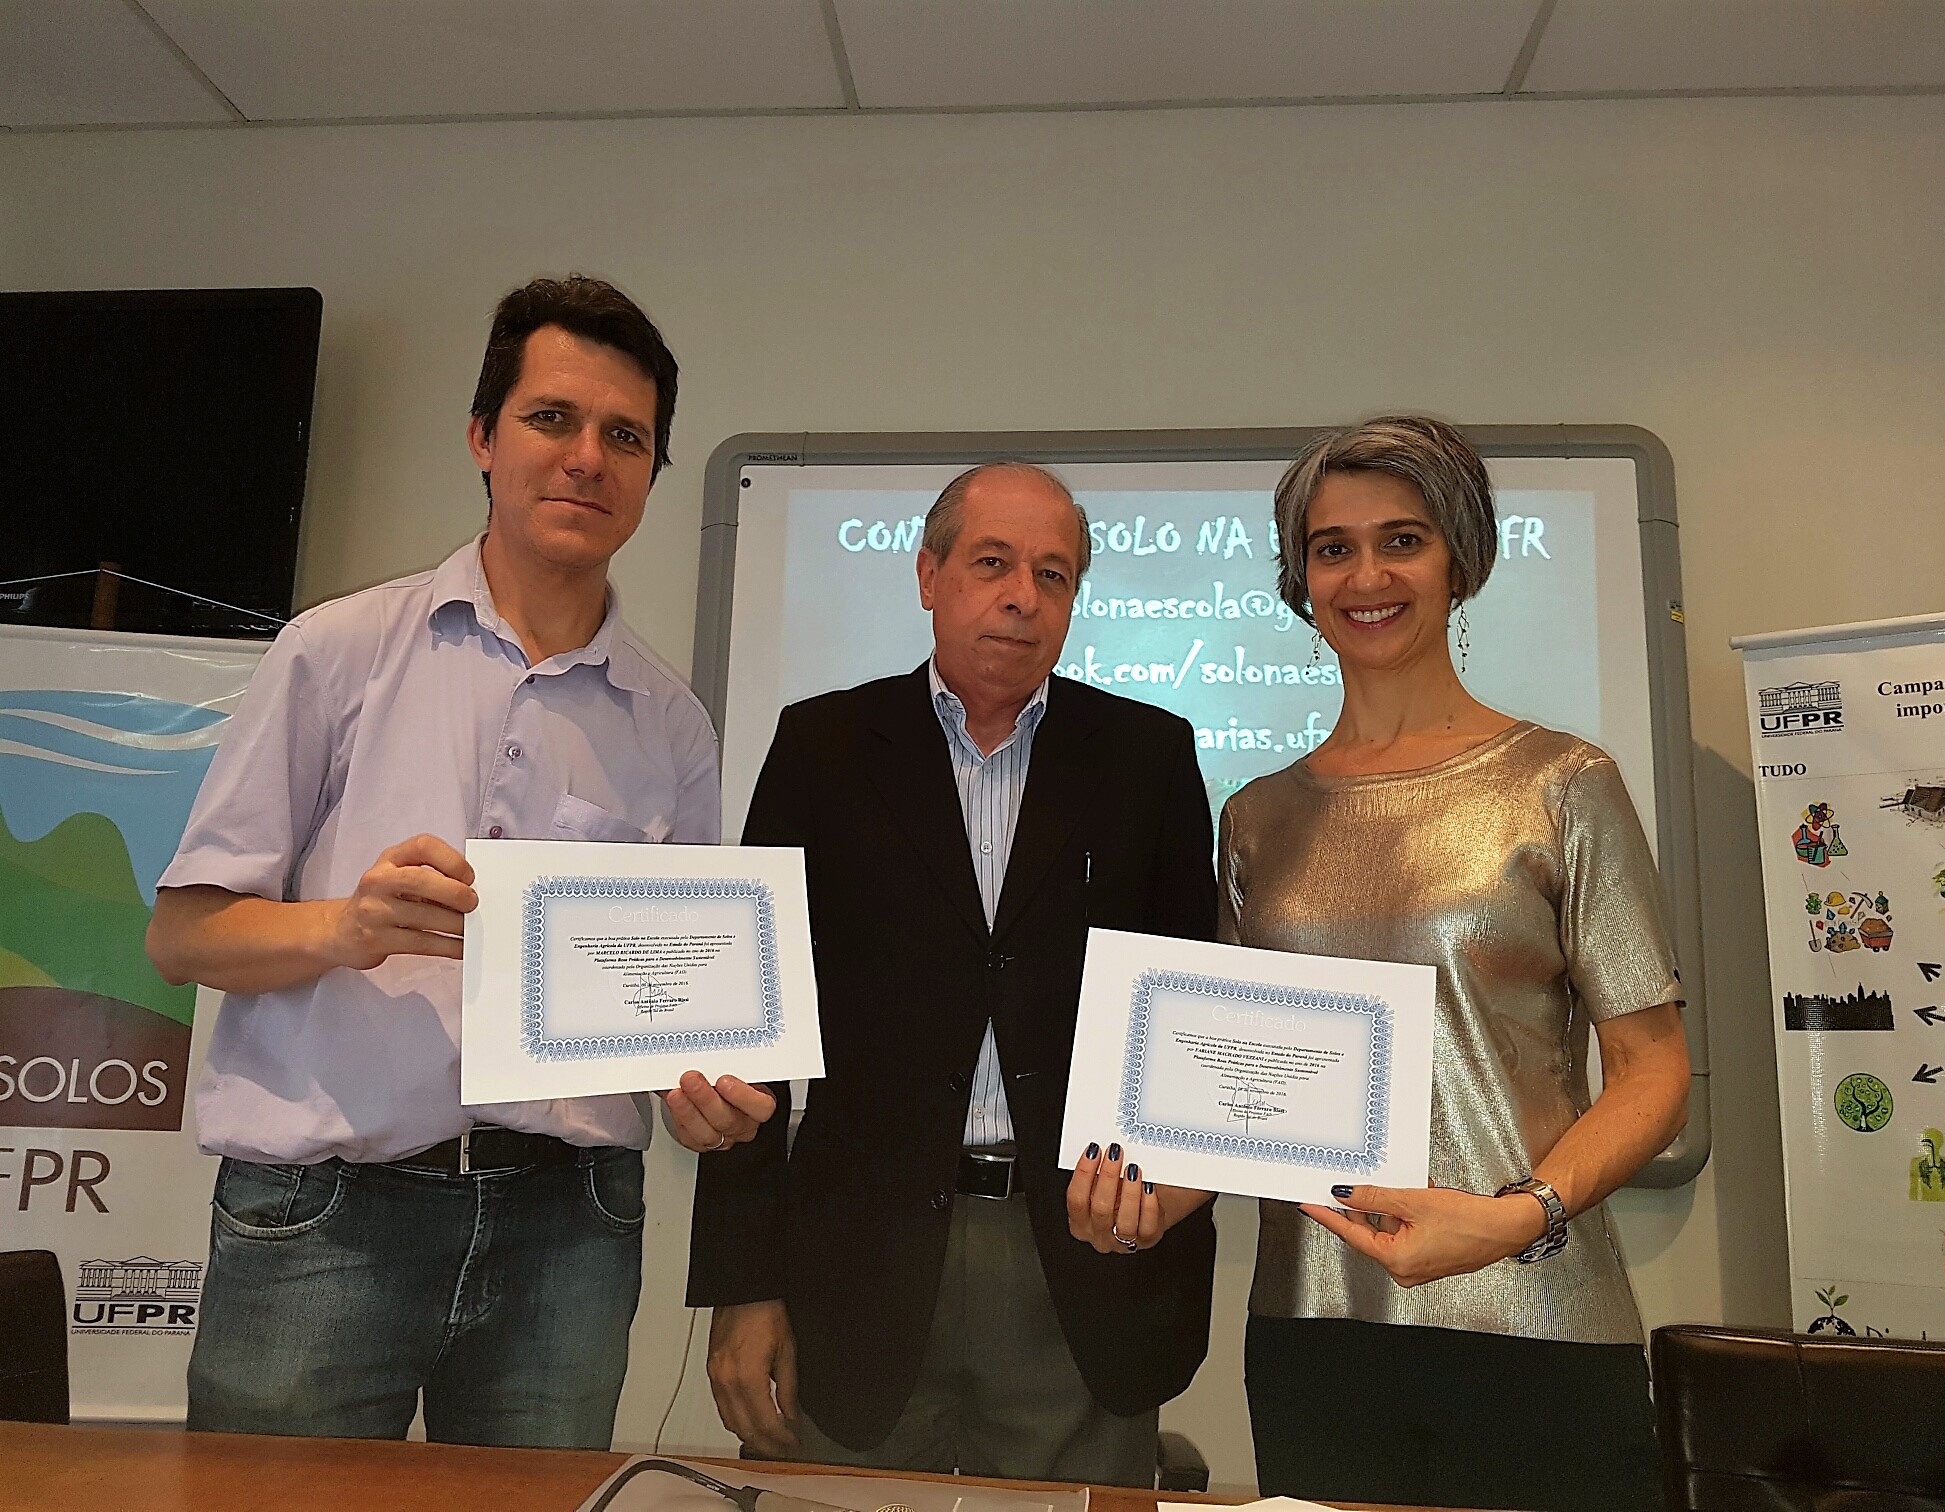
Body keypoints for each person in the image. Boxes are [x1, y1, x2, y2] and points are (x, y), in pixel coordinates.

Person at [146, 275, 774, 1448]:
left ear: (648, 474)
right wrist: (346, 926)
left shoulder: (673, 724)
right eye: (553, 419)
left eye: (625, 437)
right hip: (326, 1217)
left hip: (569, 1226)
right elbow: (182, 933)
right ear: (483, 437)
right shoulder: (336, 653)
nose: (588, 457)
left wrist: (705, 1095)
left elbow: (679, 1014)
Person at [687, 461, 1218, 1485]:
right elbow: (744, 1028)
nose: (1024, 596)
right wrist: (744, 1284)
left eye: (1055, 575)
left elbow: (1188, 1014)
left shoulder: (1146, 758)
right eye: (992, 564)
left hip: (1078, 1266)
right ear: (928, 575)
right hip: (859, 1269)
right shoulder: (824, 746)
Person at [1218, 416, 1692, 1512]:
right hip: (1313, 1327)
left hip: (1533, 1313)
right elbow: (1241, 1083)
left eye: (1403, 540)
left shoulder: (1563, 783)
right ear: (1300, 577)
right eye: (1332, 548)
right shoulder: (1257, 818)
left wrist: (1521, 1214)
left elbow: (1654, 1070)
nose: (1366, 576)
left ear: (1460, 560)